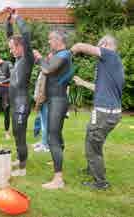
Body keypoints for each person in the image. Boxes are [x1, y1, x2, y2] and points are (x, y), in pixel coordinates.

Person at [71, 34, 124, 190]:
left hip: (105, 113)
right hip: (104, 112)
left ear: (106, 44)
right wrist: (82, 82)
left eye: (99, 44)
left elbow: (82, 46)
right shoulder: (111, 65)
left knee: (92, 145)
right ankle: (92, 168)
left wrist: (72, 50)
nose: (98, 47)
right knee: (92, 140)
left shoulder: (111, 56)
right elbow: (98, 88)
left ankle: (100, 182)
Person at [33, 30, 73, 189]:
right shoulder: (60, 55)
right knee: (56, 136)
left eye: (50, 39)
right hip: (55, 100)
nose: (49, 42)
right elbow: (46, 68)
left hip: (58, 100)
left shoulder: (64, 54)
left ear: (58, 40)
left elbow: (48, 69)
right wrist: (40, 60)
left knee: (52, 137)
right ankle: (58, 162)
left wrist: (39, 58)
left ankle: (58, 179)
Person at [5, 8, 35, 177]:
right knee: (16, 133)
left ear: (20, 46)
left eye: (12, 48)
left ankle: (22, 168)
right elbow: (10, 37)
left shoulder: (27, 58)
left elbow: (26, 34)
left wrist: (17, 18)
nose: (10, 51)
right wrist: (8, 21)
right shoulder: (17, 60)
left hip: (22, 103)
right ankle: (20, 159)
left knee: (20, 134)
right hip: (15, 103)